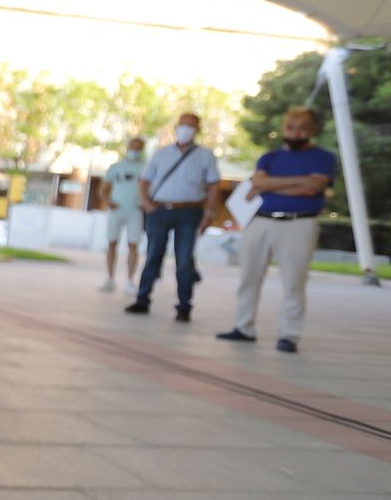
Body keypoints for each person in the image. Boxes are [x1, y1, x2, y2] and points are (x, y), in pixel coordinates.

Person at [218, 108, 335, 352]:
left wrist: (270, 186)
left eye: (302, 127)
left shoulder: (323, 158)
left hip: (299, 223)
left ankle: (289, 335)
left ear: (313, 130)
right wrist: (299, 181)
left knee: (294, 281)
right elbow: (258, 182)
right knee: (249, 277)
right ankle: (243, 327)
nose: (295, 133)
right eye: (290, 127)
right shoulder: (269, 158)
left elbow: (312, 189)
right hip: (260, 221)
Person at [125, 113, 221, 322]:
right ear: (176, 127)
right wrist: (146, 203)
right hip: (159, 211)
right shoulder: (161, 154)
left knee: (184, 259)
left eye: (191, 126)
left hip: (189, 211)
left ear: (197, 130)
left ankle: (184, 306)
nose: (186, 129)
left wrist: (209, 213)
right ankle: (142, 299)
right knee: (152, 255)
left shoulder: (206, 156)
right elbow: (144, 181)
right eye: (182, 125)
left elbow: (214, 186)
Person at [98, 137, 147, 292]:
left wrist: (145, 203)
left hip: (135, 211)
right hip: (116, 210)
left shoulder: (146, 168)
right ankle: (110, 279)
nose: (134, 150)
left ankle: (130, 281)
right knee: (112, 243)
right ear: (127, 147)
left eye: (138, 147)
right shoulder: (115, 167)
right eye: (132, 147)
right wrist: (108, 201)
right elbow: (104, 188)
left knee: (133, 245)